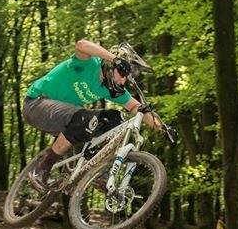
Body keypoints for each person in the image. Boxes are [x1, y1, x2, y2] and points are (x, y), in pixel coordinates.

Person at [23, 39, 163, 189]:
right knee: (85, 118)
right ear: (111, 65)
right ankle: (42, 169)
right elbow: (81, 45)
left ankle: (100, 172)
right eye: (122, 74)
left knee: (116, 119)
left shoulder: (110, 89)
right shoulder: (88, 64)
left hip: (64, 118)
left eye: (127, 78)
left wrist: (162, 128)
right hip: (36, 104)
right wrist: (115, 58)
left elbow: (136, 107)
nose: (123, 81)